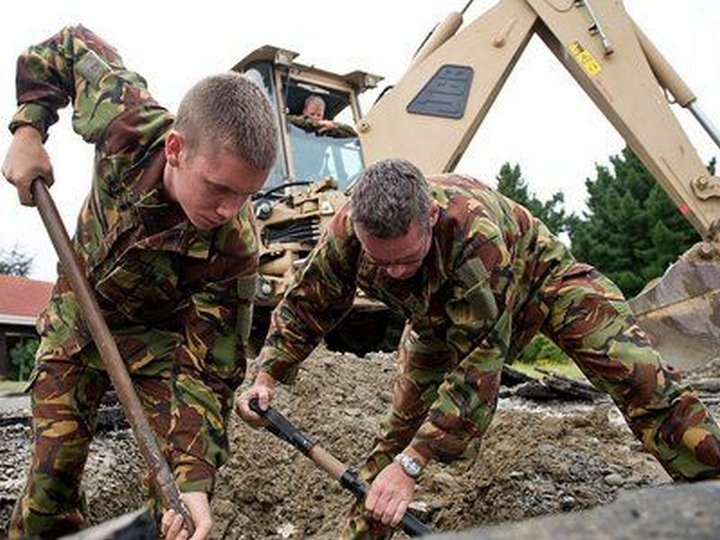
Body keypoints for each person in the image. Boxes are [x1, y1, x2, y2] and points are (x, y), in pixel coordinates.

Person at [236, 157, 720, 538]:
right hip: (435, 320)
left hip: (542, 285)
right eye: (380, 264)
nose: (392, 273)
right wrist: (267, 375)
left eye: (404, 260)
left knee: (641, 379)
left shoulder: (474, 234)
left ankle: (711, 490)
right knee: (398, 437)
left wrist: (414, 465)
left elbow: (477, 370)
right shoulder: (348, 231)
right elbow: (308, 303)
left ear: (429, 215)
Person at [2, 25, 278, 540]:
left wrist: (194, 477)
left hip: (157, 344)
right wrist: (29, 131)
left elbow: (210, 372)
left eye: (245, 195)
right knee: (49, 485)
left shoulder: (236, 247)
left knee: (176, 503)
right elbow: (67, 47)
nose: (229, 210)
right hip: (76, 315)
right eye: (219, 188)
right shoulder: (127, 123)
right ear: (175, 148)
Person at [288, 94, 357, 138]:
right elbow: (289, 119)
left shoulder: (325, 130)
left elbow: (353, 134)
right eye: (312, 114)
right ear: (304, 111)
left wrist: (334, 127)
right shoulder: (295, 123)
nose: (315, 117)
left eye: (319, 115)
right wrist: (318, 124)